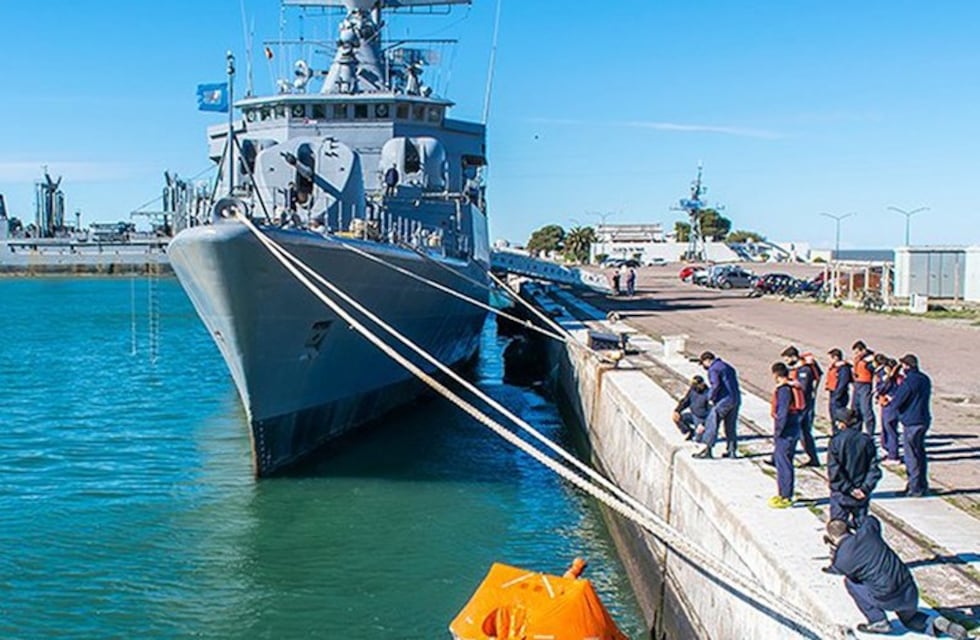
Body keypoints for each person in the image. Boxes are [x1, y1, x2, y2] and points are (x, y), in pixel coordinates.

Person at [823, 518, 967, 638]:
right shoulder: (868, 533)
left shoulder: (842, 560)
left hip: (887, 598)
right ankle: (938, 624)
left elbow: (834, 569)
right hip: (909, 589)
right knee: (910, 619)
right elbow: (870, 519)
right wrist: (852, 523)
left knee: (850, 582)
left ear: (832, 538)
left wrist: (834, 551)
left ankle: (878, 621)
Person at [884, 354, 932, 497]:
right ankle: (922, 484)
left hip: (911, 420)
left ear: (906, 366)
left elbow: (899, 400)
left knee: (911, 455)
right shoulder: (924, 379)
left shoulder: (909, 381)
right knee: (920, 453)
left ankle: (914, 487)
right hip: (923, 419)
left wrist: (891, 402)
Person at [827, 408, 881, 527]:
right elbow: (874, 469)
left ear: (841, 424)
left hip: (841, 493)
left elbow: (834, 470)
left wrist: (849, 489)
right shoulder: (866, 440)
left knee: (838, 529)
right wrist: (864, 488)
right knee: (861, 529)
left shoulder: (836, 441)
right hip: (861, 494)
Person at [768, 362, 805, 509]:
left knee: (783, 463)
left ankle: (785, 495)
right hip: (794, 424)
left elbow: (782, 412)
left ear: (776, 375)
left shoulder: (784, 390)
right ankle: (784, 493)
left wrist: (778, 432)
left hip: (786, 429)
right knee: (784, 460)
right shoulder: (792, 387)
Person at [693, 352, 741, 459]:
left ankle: (708, 451)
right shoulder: (728, 366)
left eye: (703, 364)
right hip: (735, 399)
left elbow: (715, 385)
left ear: (707, 361)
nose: (704, 367)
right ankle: (732, 451)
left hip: (723, 400)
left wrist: (711, 397)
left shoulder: (713, 369)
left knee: (712, 423)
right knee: (730, 426)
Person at [782, 346, 821, 467]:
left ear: (794, 357)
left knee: (795, 431)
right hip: (802, 405)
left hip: (803, 405)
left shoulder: (805, 370)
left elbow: (803, 388)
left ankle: (784, 457)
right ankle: (813, 458)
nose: (787, 362)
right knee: (804, 433)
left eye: (787, 359)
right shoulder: (798, 369)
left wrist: (789, 383)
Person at [873, 354, 903, 464]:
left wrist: (880, 390)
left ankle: (893, 455)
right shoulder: (890, 376)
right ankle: (887, 448)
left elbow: (883, 388)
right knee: (886, 427)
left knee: (890, 428)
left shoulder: (890, 378)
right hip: (886, 403)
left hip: (890, 404)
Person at [851, 341, 877, 438]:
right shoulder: (859, 359)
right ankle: (856, 430)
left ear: (863, 350)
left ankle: (870, 432)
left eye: (857, 352)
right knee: (855, 409)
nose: (856, 355)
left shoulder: (870, 360)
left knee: (866, 409)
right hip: (857, 384)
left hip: (865, 385)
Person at [673, 375, 710, 441]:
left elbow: (712, 412)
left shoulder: (708, 394)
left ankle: (701, 434)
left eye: (696, 385)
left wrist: (704, 424)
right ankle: (689, 431)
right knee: (677, 418)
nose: (694, 387)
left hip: (702, 419)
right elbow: (686, 401)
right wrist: (677, 410)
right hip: (693, 415)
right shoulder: (693, 390)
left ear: (702, 384)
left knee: (699, 440)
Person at [825, 348, 852, 430]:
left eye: (830, 358)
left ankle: (839, 432)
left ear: (836, 357)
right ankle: (834, 431)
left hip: (839, 395)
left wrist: (837, 396)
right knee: (833, 416)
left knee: (838, 416)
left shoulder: (843, 368)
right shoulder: (835, 367)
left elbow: (842, 383)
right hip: (833, 393)